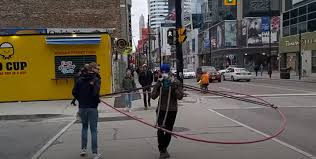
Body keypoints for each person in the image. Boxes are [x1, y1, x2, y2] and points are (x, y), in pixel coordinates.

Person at [151, 64, 184, 159]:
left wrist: (173, 86)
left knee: (168, 130)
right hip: (161, 109)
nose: (164, 74)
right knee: (160, 130)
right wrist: (158, 85)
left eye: (166, 72)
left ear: (169, 72)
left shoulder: (176, 82)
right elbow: (153, 96)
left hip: (171, 110)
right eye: (162, 72)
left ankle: (164, 149)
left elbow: (180, 96)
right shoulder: (159, 81)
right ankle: (162, 150)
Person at [72, 63, 101, 159]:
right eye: (97, 68)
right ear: (92, 69)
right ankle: (95, 153)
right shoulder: (96, 80)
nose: (98, 70)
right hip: (92, 107)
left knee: (84, 128)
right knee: (93, 130)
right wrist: (97, 100)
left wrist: (80, 99)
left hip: (82, 107)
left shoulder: (80, 80)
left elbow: (74, 92)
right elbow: (95, 94)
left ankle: (83, 149)